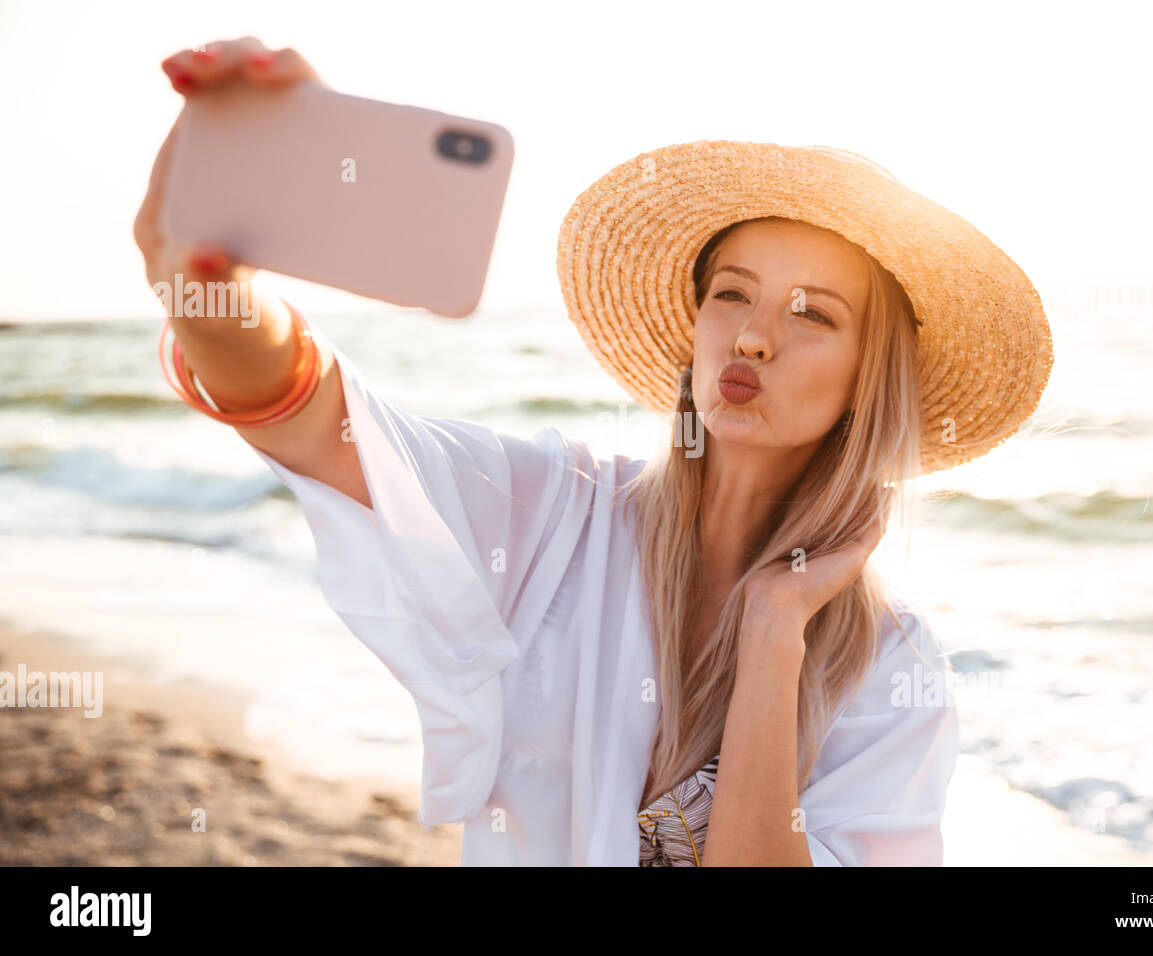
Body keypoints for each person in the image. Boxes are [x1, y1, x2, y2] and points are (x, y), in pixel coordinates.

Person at [136, 37, 1053, 866]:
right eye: (732, 294)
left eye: (812, 313)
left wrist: (776, 629)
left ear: (867, 379)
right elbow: (311, 416)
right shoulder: (556, 515)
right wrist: (206, 291)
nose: (753, 336)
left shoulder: (888, 662)